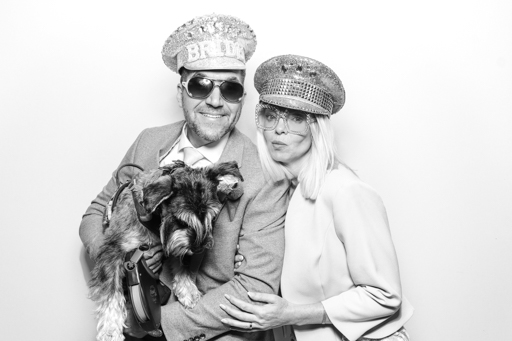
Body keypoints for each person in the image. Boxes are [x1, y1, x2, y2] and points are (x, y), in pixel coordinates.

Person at [79, 14, 289, 341]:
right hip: (127, 319)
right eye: (200, 85)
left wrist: (159, 324)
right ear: (181, 92)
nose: (216, 100)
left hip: (204, 333)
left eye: (231, 88)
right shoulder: (148, 141)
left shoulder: (264, 174)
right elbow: (96, 213)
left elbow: (254, 287)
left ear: (242, 100)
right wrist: (121, 256)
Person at [219, 55, 414, 341]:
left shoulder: (347, 191)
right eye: (270, 116)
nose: (279, 129)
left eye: (296, 118)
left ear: (317, 127)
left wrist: (290, 314)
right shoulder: (282, 193)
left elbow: (385, 295)